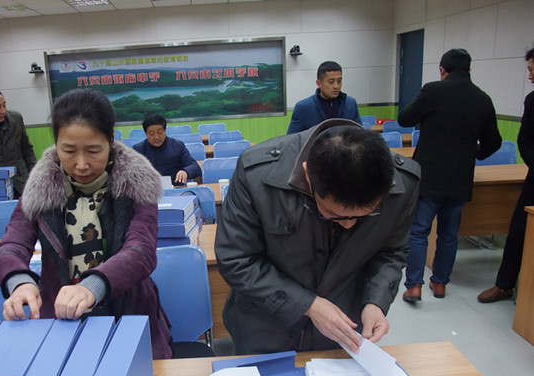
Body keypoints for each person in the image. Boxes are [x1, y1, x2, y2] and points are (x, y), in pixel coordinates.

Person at [0, 88, 172, 360]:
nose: (81, 164)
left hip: (129, 316)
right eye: (68, 151)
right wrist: (20, 283)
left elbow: (140, 251)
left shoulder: (136, 183)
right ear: (56, 144)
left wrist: (92, 286)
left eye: (93, 151)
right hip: (61, 323)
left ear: (111, 141)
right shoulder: (41, 188)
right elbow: (12, 245)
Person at [215, 119, 420, 354]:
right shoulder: (257, 174)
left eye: (365, 215)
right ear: (307, 176)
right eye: (334, 214)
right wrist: (308, 305)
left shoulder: (403, 184)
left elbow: (391, 252)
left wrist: (375, 301)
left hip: (342, 332)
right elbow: (236, 259)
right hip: (265, 328)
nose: (349, 224)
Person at [398, 48, 502, 303]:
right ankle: (440, 283)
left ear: (442, 70)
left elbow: (404, 118)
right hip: (459, 179)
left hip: (429, 177)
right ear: (469, 70)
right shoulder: (482, 99)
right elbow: (494, 142)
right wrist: (474, 153)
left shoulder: (433, 90)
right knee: (449, 234)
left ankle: (414, 286)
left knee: (419, 232)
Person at [478, 48, 534, 303]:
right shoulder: (532, 101)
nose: (529, 75)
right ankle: (504, 285)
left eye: (531, 69)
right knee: (518, 232)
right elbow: (525, 140)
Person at [287, 61, 361, 134]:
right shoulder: (303, 108)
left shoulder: (351, 104)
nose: (336, 86)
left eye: (339, 81)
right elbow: (291, 139)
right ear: (319, 83)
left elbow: (361, 135)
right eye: (331, 82)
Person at [132, 114, 201, 185]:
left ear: (165, 131)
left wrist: (185, 171)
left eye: (160, 133)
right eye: (151, 134)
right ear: (146, 134)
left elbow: (195, 167)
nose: (156, 137)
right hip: (149, 189)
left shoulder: (177, 146)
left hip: (175, 188)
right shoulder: (138, 150)